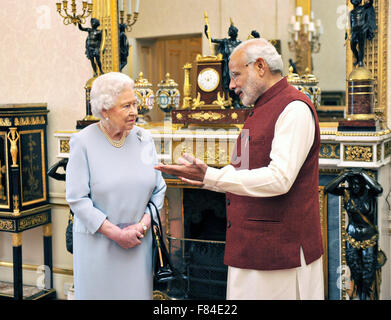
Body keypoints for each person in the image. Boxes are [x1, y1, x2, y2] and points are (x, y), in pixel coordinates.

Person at [155, 38, 324, 300]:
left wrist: (211, 176)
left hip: (280, 254)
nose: (231, 85)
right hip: (249, 247)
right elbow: (244, 171)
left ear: (260, 66)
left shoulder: (294, 109)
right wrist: (207, 177)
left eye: (235, 75)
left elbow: (280, 179)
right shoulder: (259, 110)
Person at [66, 72, 166, 299]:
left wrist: (140, 228)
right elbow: (77, 199)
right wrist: (117, 234)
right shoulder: (83, 142)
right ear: (105, 110)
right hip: (98, 246)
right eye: (126, 106)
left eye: (135, 104)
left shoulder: (144, 139)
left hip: (138, 243)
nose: (135, 112)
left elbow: (159, 189)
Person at [325, 169, 383, 299]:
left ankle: (366, 296)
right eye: (353, 184)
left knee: (368, 275)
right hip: (352, 238)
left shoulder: (370, 193)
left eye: (358, 184)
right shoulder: (347, 193)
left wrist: (362, 174)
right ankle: (357, 296)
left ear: (363, 184)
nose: (355, 187)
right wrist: (344, 175)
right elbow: (328, 188)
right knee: (355, 274)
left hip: (369, 239)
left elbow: (379, 189)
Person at [204, 23, 242, 108]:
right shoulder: (225, 41)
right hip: (228, 67)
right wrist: (206, 31)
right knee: (228, 83)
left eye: (230, 31)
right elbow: (212, 40)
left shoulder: (240, 43)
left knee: (239, 83)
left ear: (234, 33)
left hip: (238, 67)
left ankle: (236, 101)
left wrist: (256, 37)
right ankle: (228, 100)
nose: (229, 32)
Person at [347, 0, 376, 67]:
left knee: (361, 47)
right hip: (354, 31)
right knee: (352, 45)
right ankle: (358, 58)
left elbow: (371, 3)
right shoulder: (351, 12)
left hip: (362, 29)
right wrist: (349, 33)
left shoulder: (363, 8)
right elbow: (351, 23)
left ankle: (360, 61)